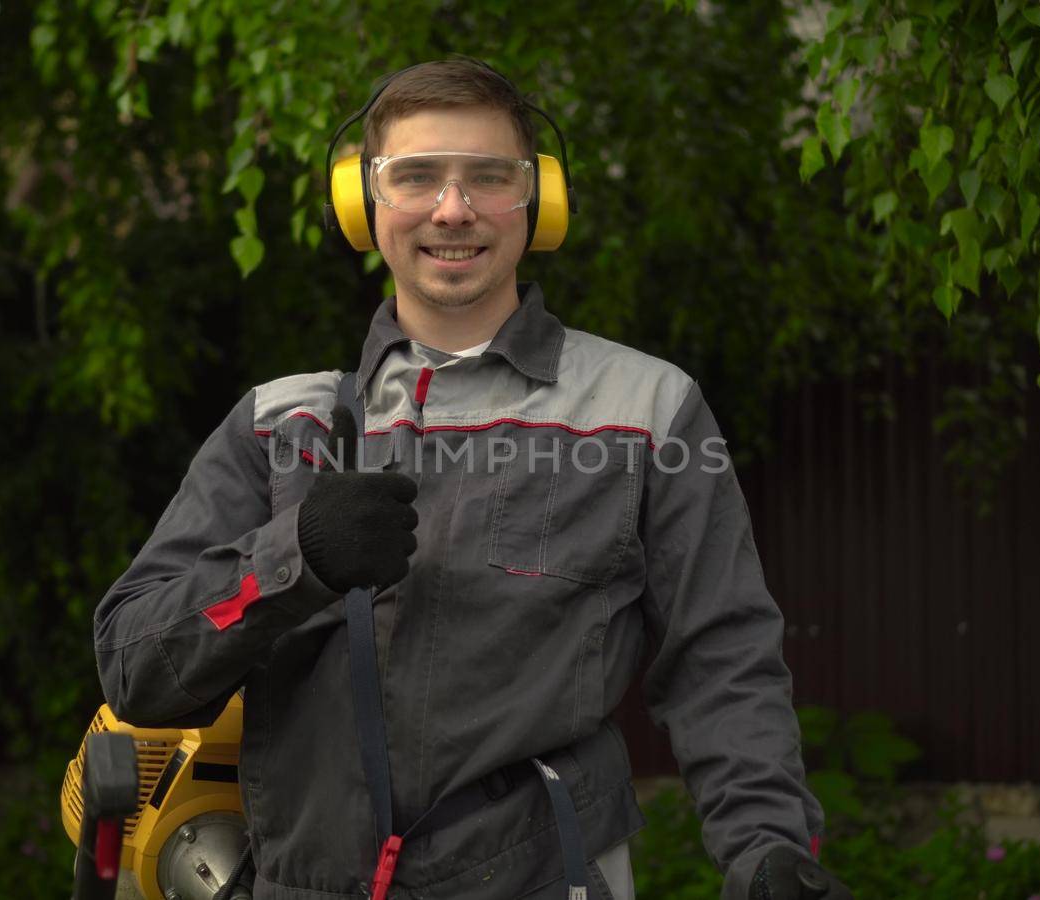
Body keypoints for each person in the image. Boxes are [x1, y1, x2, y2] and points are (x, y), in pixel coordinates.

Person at [93, 58, 852, 900]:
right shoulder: (281, 426)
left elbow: (722, 660)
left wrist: (766, 850)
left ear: (538, 201)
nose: (453, 210)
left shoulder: (646, 411)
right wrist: (295, 556)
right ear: (364, 203)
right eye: (415, 177)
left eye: (489, 177)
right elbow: (134, 668)